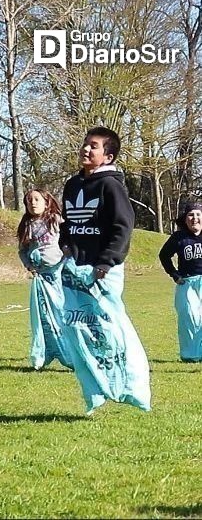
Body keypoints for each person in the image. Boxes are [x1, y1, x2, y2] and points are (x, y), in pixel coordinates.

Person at [59, 126, 150, 413]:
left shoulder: (111, 186)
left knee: (112, 329)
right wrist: (65, 246)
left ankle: (133, 387)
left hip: (103, 270)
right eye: (85, 144)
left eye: (94, 146)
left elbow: (123, 226)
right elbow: (68, 225)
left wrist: (106, 262)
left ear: (108, 156)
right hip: (76, 269)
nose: (86, 149)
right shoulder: (72, 185)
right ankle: (96, 392)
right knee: (77, 330)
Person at [17, 189, 71, 371]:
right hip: (40, 277)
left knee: (61, 312)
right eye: (29, 200)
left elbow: (68, 241)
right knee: (43, 315)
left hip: (59, 274)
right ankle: (45, 352)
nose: (33, 203)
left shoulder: (56, 220)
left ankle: (70, 353)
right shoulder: (27, 225)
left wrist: (67, 256)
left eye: (36, 199)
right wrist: (28, 265)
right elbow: (22, 250)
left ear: (46, 202)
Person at [158, 201, 202, 362]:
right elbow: (164, 255)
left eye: (198, 214)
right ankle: (191, 355)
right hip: (187, 283)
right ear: (185, 219)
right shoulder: (179, 237)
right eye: (191, 215)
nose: (194, 218)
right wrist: (174, 274)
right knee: (189, 317)